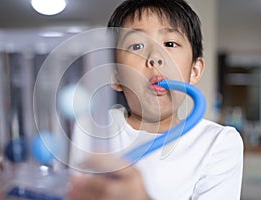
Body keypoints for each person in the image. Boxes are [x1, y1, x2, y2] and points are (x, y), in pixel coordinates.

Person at [68, 0, 243, 199]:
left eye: (170, 44)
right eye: (137, 45)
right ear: (115, 75)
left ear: (194, 71)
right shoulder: (90, 129)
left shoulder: (217, 142)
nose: (155, 58)